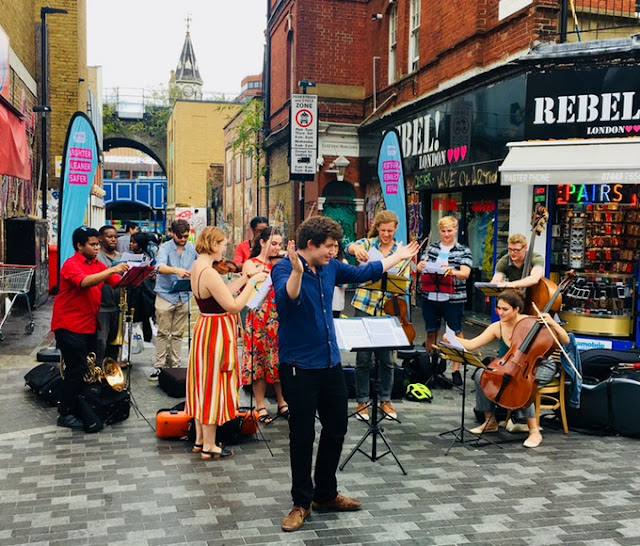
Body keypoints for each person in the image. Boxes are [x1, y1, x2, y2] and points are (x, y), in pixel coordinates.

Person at [272, 216, 419, 532]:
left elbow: (366, 271)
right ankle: (301, 501)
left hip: (329, 364)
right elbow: (288, 298)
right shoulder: (284, 268)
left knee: (337, 427)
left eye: (335, 247)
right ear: (310, 245)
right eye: (329, 247)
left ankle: (325, 493)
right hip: (299, 367)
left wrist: (400, 256)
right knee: (301, 436)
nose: (333, 252)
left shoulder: (331, 268)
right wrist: (298, 271)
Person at [445, 289, 569, 448]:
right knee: (481, 374)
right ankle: (490, 421)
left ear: (517, 309)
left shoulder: (531, 323)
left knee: (521, 384)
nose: (500, 312)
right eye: (498, 308)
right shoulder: (498, 326)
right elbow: (471, 344)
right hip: (514, 366)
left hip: (542, 366)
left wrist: (552, 323)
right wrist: (452, 340)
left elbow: (565, 340)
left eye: (505, 309)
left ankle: (534, 432)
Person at [186, 226, 268, 459]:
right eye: (223, 244)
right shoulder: (210, 272)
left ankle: (201, 439)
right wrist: (253, 285)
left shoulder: (198, 266)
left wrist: (244, 278)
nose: (225, 249)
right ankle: (209, 446)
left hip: (206, 327)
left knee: (203, 383)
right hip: (216, 331)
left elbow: (221, 293)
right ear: (214, 245)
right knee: (214, 384)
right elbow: (233, 306)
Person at [52, 226, 129, 429]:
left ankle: (83, 404)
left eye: (97, 244)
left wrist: (139, 274)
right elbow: (84, 282)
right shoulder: (70, 264)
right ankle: (65, 412)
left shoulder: (96, 264)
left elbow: (116, 282)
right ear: (79, 245)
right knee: (75, 369)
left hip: (88, 325)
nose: (97, 248)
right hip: (69, 325)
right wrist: (111, 269)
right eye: (93, 244)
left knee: (91, 369)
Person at [347, 210, 411, 422]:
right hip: (365, 304)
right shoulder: (367, 243)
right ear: (378, 228)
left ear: (395, 229)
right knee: (363, 357)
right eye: (383, 230)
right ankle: (362, 401)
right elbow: (349, 247)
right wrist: (356, 249)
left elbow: (405, 280)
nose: (386, 235)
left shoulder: (400, 250)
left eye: (390, 231)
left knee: (387, 358)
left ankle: (385, 399)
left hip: (388, 308)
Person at [417, 215, 472, 386]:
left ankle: (456, 369)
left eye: (449, 231)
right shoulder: (431, 248)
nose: (446, 234)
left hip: (453, 298)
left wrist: (451, 271)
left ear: (455, 230)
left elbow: (465, 273)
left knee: (454, 332)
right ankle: (428, 367)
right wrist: (419, 267)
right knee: (430, 331)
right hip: (431, 295)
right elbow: (421, 265)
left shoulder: (463, 250)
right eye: (443, 231)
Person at [241, 227, 288, 424]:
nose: (277, 249)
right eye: (273, 244)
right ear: (262, 242)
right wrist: (262, 270)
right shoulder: (251, 263)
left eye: (280, 245)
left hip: (279, 318)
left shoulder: (283, 264)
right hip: (258, 319)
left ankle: (282, 401)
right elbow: (249, 275)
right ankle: (260, 405)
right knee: (258, 362)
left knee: (278, 362)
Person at [150, 219, 198, 380]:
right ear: (172, 233)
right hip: (165, 293)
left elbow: (201, 262)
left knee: (178, 333)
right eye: (180, 237)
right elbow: (159, 267)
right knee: (163, 332)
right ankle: (160, 366)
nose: (183, 240)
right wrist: (176, 270)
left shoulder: (192, 247)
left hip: (184, 294)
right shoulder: (165, 247)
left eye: (185, 236)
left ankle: (175, 365)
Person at [95, 225, 123, 368]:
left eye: (115, 237)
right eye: (109, 236)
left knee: (115, 345)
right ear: (101, 239)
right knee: (101, 343)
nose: (113, 239)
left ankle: (111, 375)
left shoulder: (121, 257)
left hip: (118, 307)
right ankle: (98, 373)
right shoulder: (97, 257)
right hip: (102, 307)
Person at [128, 232, 156, 344]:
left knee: (144, 317)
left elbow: (154, 275)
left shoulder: (148, 258)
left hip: (144, 293)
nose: (130, 244)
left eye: (133, 242)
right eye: (130, 242)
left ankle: (145, 338)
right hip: (133, 291)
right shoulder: (127, 256)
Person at [331, 241, 348, 319]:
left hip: (336, 300)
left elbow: (345, 285)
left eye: (336, 246)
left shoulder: (343, 262)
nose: (333, 249)